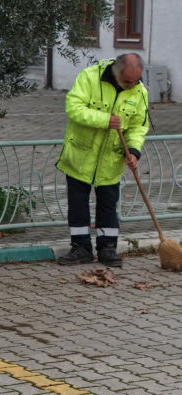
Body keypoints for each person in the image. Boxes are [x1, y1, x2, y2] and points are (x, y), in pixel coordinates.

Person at [56, 53, 149, 268]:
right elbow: (74, 107)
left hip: (110, 159)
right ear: (116, 71)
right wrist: (105, 120)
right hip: (80, 155)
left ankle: (107, 248)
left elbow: (138, 126)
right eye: (127, 81)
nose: (131, 86)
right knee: (78, 205)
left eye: (136, 81)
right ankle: (80, 248)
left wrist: (133, 151)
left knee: (108, 205)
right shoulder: (89, 77)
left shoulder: (139, 91)